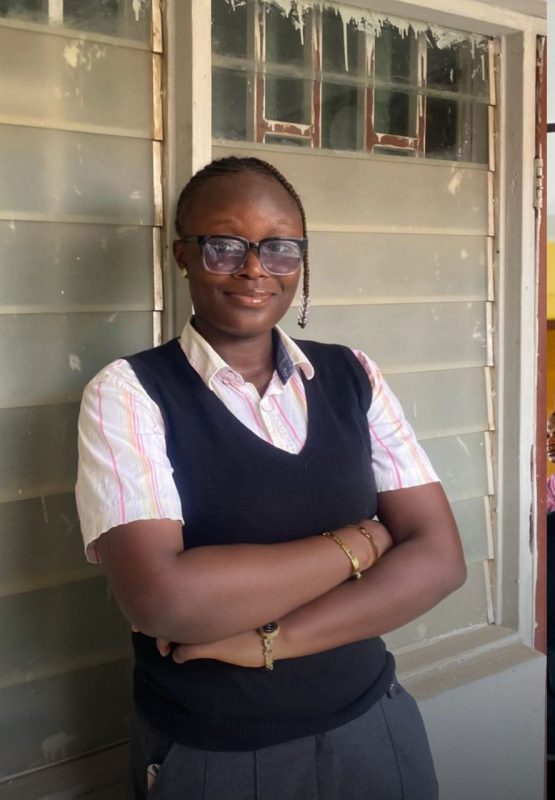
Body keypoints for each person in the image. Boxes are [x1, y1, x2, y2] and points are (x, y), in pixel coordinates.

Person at [76, 156, 466, 800]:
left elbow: (441, 560)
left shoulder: (352, 376)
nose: (255, 268)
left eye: (280, 248)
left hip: (375, 725)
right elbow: (163, 600)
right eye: (224, 246)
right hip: (218, 752)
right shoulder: (130, 392)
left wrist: (270, 642)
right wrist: (363, 542)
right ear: (182, 255)